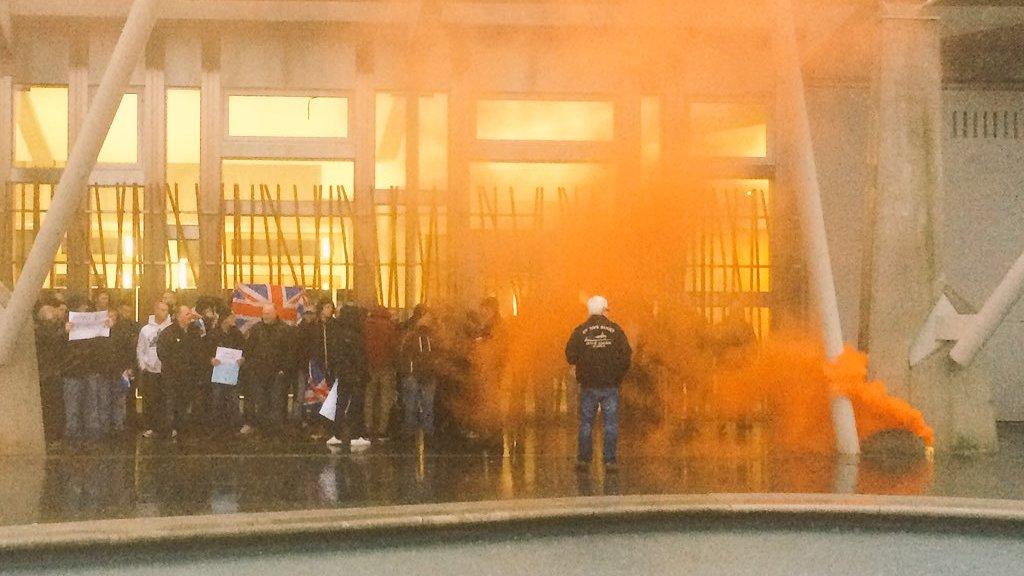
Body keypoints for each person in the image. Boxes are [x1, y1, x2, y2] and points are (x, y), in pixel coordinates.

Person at [565, 295, 632, 472]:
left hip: (588, 385)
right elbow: (626, 356)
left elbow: (570, 355)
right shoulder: (616, 330)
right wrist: (618, 375)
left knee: (586, 423)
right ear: (604, 310)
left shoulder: (580, 331)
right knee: (610, 424)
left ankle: (584, 460)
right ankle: (610, 461)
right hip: (610, 385)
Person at [243, 305, 293, 437]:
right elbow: (248, 350)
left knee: (277, 402)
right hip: (259, 374)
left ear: (275, 314)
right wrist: (252, 368)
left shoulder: (285, 330)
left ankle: (276, 431)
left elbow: (290, 353)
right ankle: (263, 430)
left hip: (277, 374)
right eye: (264, 313)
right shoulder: (255, 330)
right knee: (261, 403)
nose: (265, 316)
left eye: (268, 314)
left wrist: (284, 369)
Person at [61, 297, 104, 448]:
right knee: (73, 407)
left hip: (89, 370)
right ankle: (74, 438)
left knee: (91, 406)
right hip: (72, 371)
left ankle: (91, 438)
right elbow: (54, 346)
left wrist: (107, 328)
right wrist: (63, 332)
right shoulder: (64, 325)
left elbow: (101, 346)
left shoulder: (92, 326)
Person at [326, 305, 370, 447]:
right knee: (356, 406)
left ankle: (337, 434)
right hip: (355, 375)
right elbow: (359, 357)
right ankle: (356, 435)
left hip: (343, 374)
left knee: (340, 403)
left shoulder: (338, 333)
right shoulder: (355, 335)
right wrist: (363, 373)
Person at [156, 305, 201, 439]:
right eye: (187, 314)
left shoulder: (194, 331)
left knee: (185, 403)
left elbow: (198, 352)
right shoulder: (168, 333)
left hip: (189, 376)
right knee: (171, 402)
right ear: (179, 316)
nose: (190, 317)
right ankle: (170, 429)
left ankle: (183, 428)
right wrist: (176, 366)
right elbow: (162, 353)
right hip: (172, 377)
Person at [398, 305, 438, 441]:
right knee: (415, 405)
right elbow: (406, 355)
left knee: (421, 405)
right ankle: (417, 432)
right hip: (416, 374)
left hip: (423, 374)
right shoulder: (414, 334)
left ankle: (420, 432)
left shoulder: (428, 334)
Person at [205, 313, 245, 437]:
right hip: (218, 373)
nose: (234, 320)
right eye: (231, 317)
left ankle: (233, 427)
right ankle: (217, 427)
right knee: (217, 399)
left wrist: (242, 359)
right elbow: (204, 351)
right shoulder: (213, 334)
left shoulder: (237, 334)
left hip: (232, 372)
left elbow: (244, 349)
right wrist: (210, 360)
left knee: (233, 400)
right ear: (224, 319)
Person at [363, 306, 399, 441]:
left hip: (370, 365)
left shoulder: (366, 324)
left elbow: (364, 345)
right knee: (385, 397)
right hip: (386, 366)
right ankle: (382, 430)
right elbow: (394, 346)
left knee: (369, 396)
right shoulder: (390, 326)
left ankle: (367, 427)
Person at [136, 301, 172, 439]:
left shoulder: (170, 328)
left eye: (166, 310)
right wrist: (143, 366)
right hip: (151, 371)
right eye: (162, 309)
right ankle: (150, 426)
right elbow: (140, 349)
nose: (164, 312)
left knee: (166, 400)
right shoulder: (145, 330)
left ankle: (166, 427)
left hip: (166, 370)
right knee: (150, 400)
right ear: (155, 310)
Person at [35, 304, 67, 446]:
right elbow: (50, 341)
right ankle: (52, 435)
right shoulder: (40, 332)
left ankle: (56, 434)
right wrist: (62, 332)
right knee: (50, 406)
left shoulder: (51, 330)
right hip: (47, 373)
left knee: (56, 405)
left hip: (53, 371)